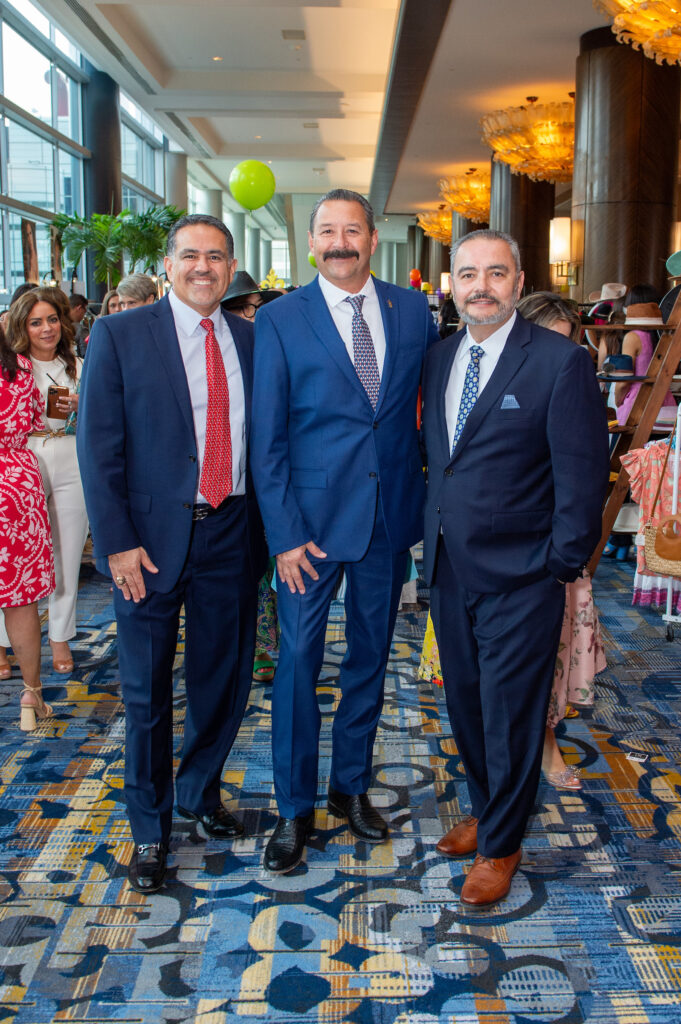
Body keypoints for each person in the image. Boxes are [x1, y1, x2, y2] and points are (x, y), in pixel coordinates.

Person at [251, 187, 439, 875]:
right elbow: (265, 439)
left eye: (351, 230)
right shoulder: (279, 319)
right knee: (298, 666)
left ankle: (348, 787)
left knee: (369, 658)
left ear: (370, 236)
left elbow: (427, 412)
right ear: (309, 241)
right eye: (326, 230)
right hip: (307, 530)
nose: (339, 242)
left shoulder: (412, 308)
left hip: (387, 519)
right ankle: (293, 808)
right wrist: (282, 535)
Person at [77, 214, 267, 894]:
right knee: (146, 693)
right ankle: (150, 829)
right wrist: (116, 542)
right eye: (190, 255)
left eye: (216, 257)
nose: (203, 267)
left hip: (232, 532)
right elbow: (98, 449)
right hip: (148, 543)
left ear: (230, 265)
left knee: (223, 681)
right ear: (168, 263)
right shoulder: (120, 335)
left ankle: (199, 794)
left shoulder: (252, 338)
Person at [421, 230, 609, 909]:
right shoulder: (439, 357)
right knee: (466, 704)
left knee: (510, 713)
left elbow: (581, 474)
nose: (480, 286)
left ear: (518, 279)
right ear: (451, 284)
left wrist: (558, 563)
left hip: (524, 574)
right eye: (467, 273)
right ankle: (485, 807)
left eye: (494, 273)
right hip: (448, 566)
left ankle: (501, 843)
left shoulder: (559, 363)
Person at [5, 288, 87, 677]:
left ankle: (60, 634)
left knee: (66, 552)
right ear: (22, 325)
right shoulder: (10, 368)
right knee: (16, 557)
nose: (46, 328)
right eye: (36, 322)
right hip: (24, 461)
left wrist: (81, 404)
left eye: (52, 319)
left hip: (72, 456)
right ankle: (7, 639)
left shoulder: (80, 365)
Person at [222, 269, 280, 684]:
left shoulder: (272, 346)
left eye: (254, 307)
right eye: (240, 308)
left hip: (269, 479)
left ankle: (265, 644)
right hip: (220, 483)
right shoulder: (217, 348)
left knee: (267, 567)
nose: (250, 315)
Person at [0, 323, 55, 730]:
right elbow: (37, 418)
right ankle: (31, 693)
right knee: (21, 596)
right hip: (16, 483)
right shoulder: (19, 367)